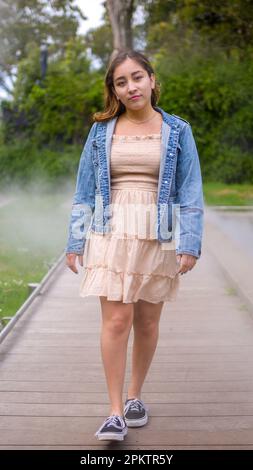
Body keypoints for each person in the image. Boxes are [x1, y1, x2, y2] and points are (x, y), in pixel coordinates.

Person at [65, 49, 204, 442]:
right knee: (116, 319)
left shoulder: (177, 130)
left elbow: (190, 189)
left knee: (146, 321)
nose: (131, 86)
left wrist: (189, 242)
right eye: (121, 81)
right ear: (115, 90)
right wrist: (75, 240)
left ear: (152, 80)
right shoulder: (101, 131)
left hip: (156, 231)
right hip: (110, 229)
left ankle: (134, 397)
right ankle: (113, 412)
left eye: (137, 77)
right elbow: (84, 189)